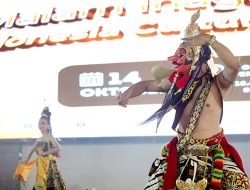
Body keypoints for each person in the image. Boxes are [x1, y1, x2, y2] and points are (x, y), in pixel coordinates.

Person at [117, 11, 250, 190]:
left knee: (241, 185)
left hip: (214, 152)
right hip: (181, 152)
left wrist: (210, 40)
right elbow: (147, 85)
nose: (178, 60)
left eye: (185, 54)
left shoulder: (218, 83)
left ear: (200, 59)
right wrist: (129, 91)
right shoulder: (176, 84)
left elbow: (234, 65)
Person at [13, 107, 67, 190]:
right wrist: (24, 161)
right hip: (41, 167)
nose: (40, 125)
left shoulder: (50, 137)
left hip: (51, 166)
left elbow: (59, 147)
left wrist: (45, 153)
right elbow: (31, 152)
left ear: (48, 125)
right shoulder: (38, 140)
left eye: (43, 123)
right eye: (39, 123)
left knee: (52, 186)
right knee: (41, 185)